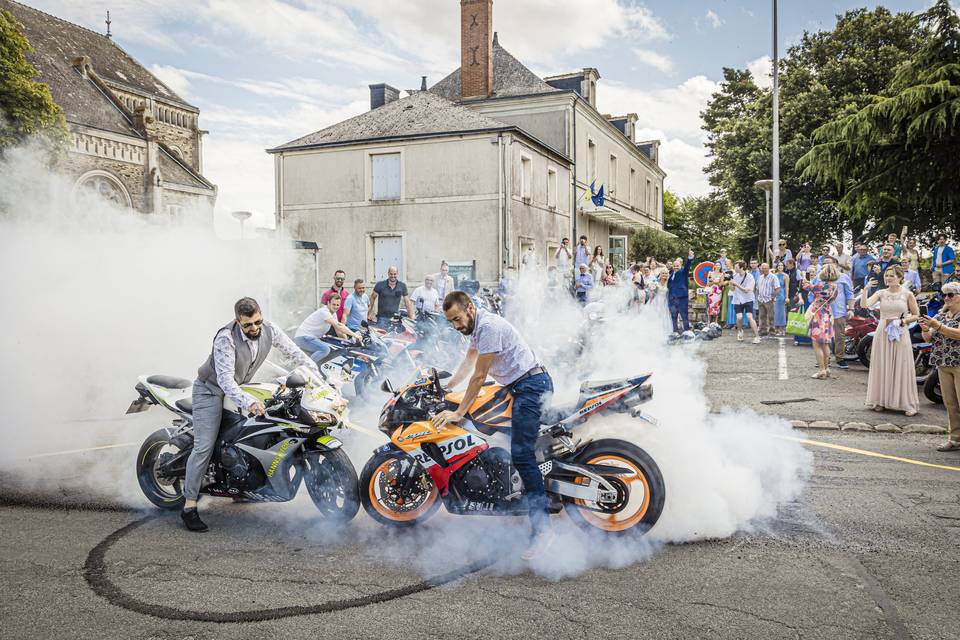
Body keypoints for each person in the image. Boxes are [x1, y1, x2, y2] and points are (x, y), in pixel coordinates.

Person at [181, 297, 321, 532]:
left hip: (241, 386)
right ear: (238, 321)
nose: (254, 328)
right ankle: (189, 506)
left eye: (257, 322)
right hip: (211, 390)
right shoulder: (226, 338)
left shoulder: (270, 329)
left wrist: (317, 376)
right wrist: (249, 402)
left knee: (257, 431)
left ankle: (241, 485)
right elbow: (225, 380)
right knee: (203, 446)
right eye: (248, 325)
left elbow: (295, 353)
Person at [435, 291, 555, 560]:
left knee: (522, 454)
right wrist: (447, 388)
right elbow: (469, 362)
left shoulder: (487, 327)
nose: (456, 326)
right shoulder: (478, 328)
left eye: (457, 319)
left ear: (469, 308)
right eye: (451, 322)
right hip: (518, 385)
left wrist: (458, 412)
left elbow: (479, 376)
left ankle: (543, 530)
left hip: (530, 387)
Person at [861, 265, 921, 416]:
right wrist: (865, 289)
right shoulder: (881, 293)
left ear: (900, 277)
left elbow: (916, 315)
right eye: (886, 275)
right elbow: (865, 305)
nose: (888, 278)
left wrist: (903, 321)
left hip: (901, 331)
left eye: (891, 275)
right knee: (883, 364)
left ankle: (907, 404)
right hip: (883, 331)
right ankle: (881, 400)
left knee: (902, 364)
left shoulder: (907, 294)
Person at [919, 281, 960, 451]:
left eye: (951, 294)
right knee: (950, 404)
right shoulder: (942, 316)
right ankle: (955, 438)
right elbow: (928, 338)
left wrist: (938, 327)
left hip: (958, 363)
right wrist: (924, 328)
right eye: (945, 294)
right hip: (943, 363)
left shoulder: (942, 320)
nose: (946, 298)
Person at [294, 293, 357, 363]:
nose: (336, 307)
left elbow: (339, 331)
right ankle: (307, 368)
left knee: (332, 347)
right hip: (303, 337)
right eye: (333, 304)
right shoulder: (324, 312)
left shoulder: (333, 314)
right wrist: (355, 335)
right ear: (328, 303)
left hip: (310, 338)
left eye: (337, 305)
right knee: (325, 349)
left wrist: (348, 342)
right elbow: (339, 325)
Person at [801, 264, 839, 379]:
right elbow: (832, 300)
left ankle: (821, 370)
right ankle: (827, 369)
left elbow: (806, 286)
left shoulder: (820, 286)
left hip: (818, 315)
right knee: (826, 344)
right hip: (827, 314)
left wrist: (804, 276)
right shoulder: (835, 287)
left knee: (817, 344)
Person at [821, 257, 855, 370]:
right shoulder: (819, 277)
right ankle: (825, 359)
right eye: (824, 264)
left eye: (829, 263)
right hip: (822, 312)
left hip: (839, 312)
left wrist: (851, 309)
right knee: (824, 337)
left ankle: (840, 359)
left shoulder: (844, 277)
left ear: (836, 264)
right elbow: (812, 294)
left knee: (839, 336)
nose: (827, 266)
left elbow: (850, 294)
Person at [727, 260, 761, 343]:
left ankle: (757, 336)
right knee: (739, 317)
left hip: (748, 299)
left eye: (736, 267)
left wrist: (736, 284)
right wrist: (730, 283)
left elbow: (746, 290)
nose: (735, 269)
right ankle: (740, 331)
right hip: (737, 299)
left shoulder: (750, 277)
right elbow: (732, 289)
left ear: (741, 268)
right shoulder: (735, 276)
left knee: (749, 317)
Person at [667, 250, 695, 333]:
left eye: (677, 266)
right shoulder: (671, 274)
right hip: (672, 299)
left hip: (682, 299)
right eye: (674, 266)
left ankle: (687, 332)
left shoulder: (683, 271)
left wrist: (690, 257)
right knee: (673, 317)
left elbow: (687, 266)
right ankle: (675, 332)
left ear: (680, 265)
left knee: (684, 316)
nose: (676, 267)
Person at [755, 262, 781, 337]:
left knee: (771, 316)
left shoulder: (773, 277)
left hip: (769, 299)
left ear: (768, 268)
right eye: (763, 268)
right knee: (762, 316)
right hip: (761, 299)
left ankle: (772, 331)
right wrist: (758, 296)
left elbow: (778, 288)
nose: (764, 270)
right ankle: (763, 330)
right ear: (761, 269)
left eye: (766, 268)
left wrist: (773, 297)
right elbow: (757, 288)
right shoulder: (760, 277)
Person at [774, 261, 787, 337]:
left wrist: (787, 297)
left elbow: (786, 287)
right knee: (775, 312)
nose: (780, 266)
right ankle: (777, 329)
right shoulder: (774, 275)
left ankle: (782, 329)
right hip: (775, 294)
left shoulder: (786, 276)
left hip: (782, 294)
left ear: (783, 267)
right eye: (779, 265)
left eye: (781, 265)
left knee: (782, 312)